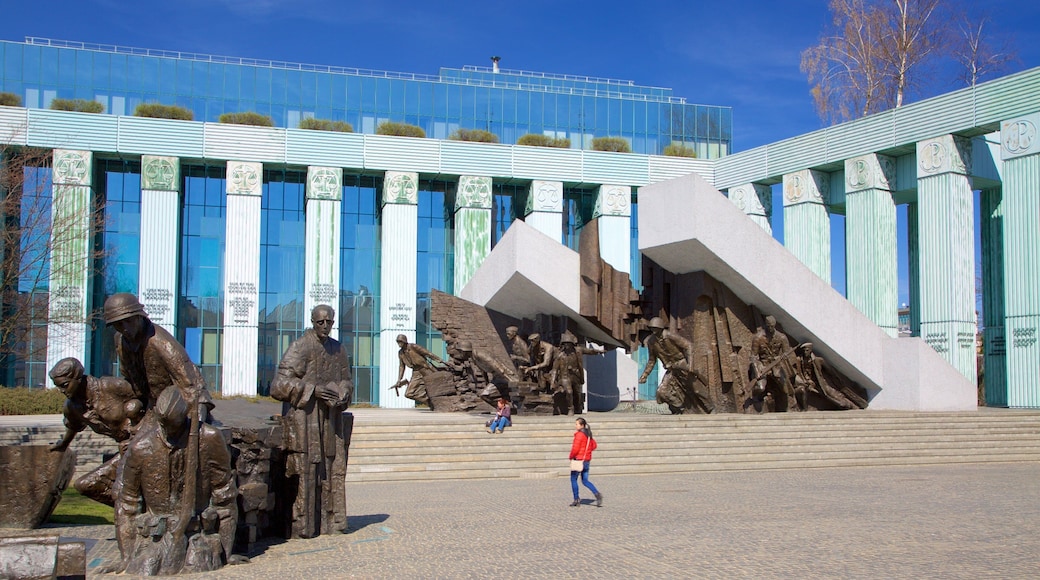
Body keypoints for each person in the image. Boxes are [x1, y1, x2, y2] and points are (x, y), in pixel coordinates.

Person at [116, 387, 238, 575]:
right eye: (164, 425)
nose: (169, 431)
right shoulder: (141, 448)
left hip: (198, 535)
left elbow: (225, 496)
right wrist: (126, 556)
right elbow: (127, 504)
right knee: (147, 566)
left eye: (174, 425)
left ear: (185, 416)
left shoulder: (209, 438)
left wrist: (226, 551)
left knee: (198, 562)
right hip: (154, 537)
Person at [271, 304, 353, 538]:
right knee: (307, 471)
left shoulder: (338, 349)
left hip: (331, 421)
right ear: (312, 321)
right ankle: (304, 527)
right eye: (320, 322)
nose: (325, 326)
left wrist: (344, 391)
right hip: (306, 420)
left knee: (333, 469)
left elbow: (347, 380)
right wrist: (312, 390)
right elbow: (277, 385)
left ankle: (333, 522)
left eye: (329, 322)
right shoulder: (300, 347)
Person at [48, 357, 144, 505]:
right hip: (125, 449)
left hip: (146, 442)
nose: (62, 391)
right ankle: (134, 509)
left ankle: (133, 510)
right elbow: (73, 426)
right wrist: (64, 443)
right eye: (58, 387)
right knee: (85, 485)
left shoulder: (112, 386)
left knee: (123, 488)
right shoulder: (72, 407)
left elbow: (151, 399)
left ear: (77, 378)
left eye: (65, 385)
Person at [103, 292, 212, 418]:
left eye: (128, 321)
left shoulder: (159, 341)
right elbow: (127, 375)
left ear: (139, 317)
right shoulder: (120, 340)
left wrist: (198, 419)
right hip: (145, 402)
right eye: (118, 324)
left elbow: (191, 382)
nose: (125, 328)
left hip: (169, 409)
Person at [638, 316, 713, 414]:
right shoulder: (651, 342)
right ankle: (681, 408)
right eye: (652, 328)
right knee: (662, 392)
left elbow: (688, 345)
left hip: (682, 365)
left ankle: (711, 408)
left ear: (660, 328)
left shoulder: (669, 336)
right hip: (671, 369)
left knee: (697, 389)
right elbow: (652, 360)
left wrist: (690, 365)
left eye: (655, 328)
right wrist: (645, 375)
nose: (653, 330)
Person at [750, 315, 797, 412]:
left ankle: (787, 407)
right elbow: (753, 357)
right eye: (769, 326)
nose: (770, 328)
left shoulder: (782, 337)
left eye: (772, 326)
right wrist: (757, 371)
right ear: (765, 325)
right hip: (762, 365)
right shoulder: (758, 337)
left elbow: (786, 352)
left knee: (786, 388)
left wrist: (783, 356)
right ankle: (755, 399)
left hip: (776, 365)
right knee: (760, 387)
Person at [391, 334, 449, 406]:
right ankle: (431, 403)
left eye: (400, 341)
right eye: (398, 342)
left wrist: (440, 360)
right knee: (408, 393)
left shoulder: (413, 347)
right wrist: (399, 379)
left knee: (438, 386)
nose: (399, 343)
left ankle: (441, 401)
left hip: (426, 369)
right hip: (416, 372)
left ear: (404, 341)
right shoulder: (400, 353)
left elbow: (428, 353)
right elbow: (401, 366)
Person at [568, 417, 602, 507]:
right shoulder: (588, 434)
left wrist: (571, 456)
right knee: (585, 481)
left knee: (573, 479)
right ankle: (597, 494)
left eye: (577, 424)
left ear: (582, 425)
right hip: (586, 460)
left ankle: (576, 499)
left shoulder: (579, 435)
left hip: (579, 460)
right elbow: (594, 446)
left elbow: (575, 449)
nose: (575, 426)